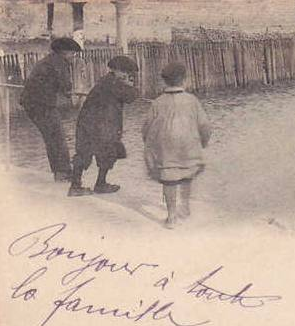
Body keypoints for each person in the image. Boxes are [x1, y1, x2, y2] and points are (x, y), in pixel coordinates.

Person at [142, 62, 211, 229]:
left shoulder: (157, 102)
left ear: (164, 81)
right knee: (187, 174)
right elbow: (204, 125)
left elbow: (147, 127)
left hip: (166, 146)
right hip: (188, 143)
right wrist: (204, 141)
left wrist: (149, 145)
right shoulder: (192, 100)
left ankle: (171, 216)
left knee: (169, 179)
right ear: (184, 80)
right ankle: (185, 207)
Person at [69, 55, 139, 196]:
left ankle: (80, 185)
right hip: (101, 125)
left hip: (90, 123)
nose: (127, 75)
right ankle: (89, 185)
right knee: (103, 153)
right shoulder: (114, 84)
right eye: (126, 72)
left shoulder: (106, 81)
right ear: (118, 70)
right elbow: (131, 97)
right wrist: (131, 85)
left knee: (88, 153)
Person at [19, 37, 82, 181]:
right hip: (41, 104)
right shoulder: (60, 63)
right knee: (57, 137)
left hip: (32, 103)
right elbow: (66, 86)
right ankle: (63, 173)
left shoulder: (49, 60)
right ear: (64, 52)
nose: (73, 57)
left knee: (52, 137)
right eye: (73, 54)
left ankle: (60, 172)